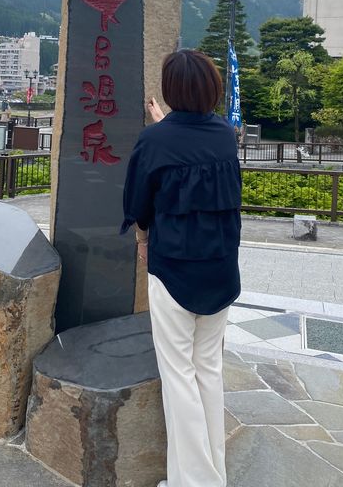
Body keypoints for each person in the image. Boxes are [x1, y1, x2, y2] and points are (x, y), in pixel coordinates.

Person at [122, 49, 241, 487]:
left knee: (179, 378)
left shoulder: (155, 141)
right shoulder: (226, 136)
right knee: (209, 371)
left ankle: (196, 483)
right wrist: (164, 126)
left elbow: (138, 204)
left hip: (173, 271)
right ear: (211, 88)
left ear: (170, 91)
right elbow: (194, 148)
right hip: (222, 272)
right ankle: (214, 475)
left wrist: (142, 241)